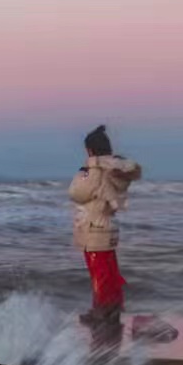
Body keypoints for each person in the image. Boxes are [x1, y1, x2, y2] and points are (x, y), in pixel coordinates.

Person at [68, 124, 141, 334]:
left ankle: (102, 314)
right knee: (109, 273)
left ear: (90, 150)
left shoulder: (96, 172)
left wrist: (92, 165)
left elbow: (78, 193)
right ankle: (111, 311)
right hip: (107, 228)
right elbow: (133, 168)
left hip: (94, 229)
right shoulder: (114, 170)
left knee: (100, 274)